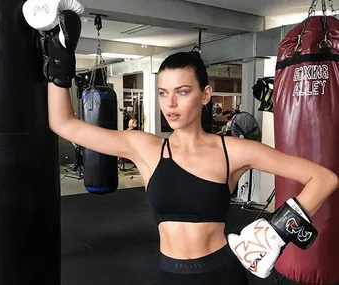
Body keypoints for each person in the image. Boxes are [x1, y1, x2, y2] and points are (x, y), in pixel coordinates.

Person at [23, 1, 339, 284]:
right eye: (163, 93)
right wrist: (61, 67)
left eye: (182, 91)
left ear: (205, 95)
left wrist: (276, 230)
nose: (170, 103)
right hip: (169, 274)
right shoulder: (145, 148)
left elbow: (324, 178)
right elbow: (63, 123)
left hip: (222, 273)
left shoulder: (233, 151)